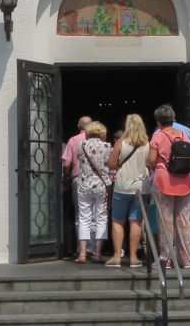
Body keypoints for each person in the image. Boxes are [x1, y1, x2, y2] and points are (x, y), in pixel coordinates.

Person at [146, 103, 190, 270]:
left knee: (165, 220)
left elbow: (151, 161)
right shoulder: (183, 135)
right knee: (183, 220)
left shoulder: (158, 136)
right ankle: (186, 259)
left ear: (158, 121)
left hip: (164, 180)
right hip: (184, 181)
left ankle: (165, 258)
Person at [106, 113, 150, 267]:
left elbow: (111, 164)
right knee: (136, 221)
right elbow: (151, 163)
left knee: (118, 221)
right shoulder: (147, 144)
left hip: (122, 186)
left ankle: (117, 256)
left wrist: (119, 165)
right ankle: (133, 257)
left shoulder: (121, 142)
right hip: (140, 187)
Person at [75, 120, 112, 263]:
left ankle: (83, 253)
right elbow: (109, 163)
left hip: (84, 184)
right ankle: (97, 253)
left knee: (84, 218)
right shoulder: (107, 146)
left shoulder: (81, 145)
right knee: (101, 218)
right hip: (101, 186)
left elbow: (80, 159)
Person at [61, 115, 92, 256]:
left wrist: (66, 177)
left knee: (81, 214)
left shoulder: (73, 140)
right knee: (96, 214)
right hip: (96, 180)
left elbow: (66, 164)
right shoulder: (99, 141)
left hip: (78, 178)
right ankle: (93, 249)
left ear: (79, 127)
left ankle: (82, 249)